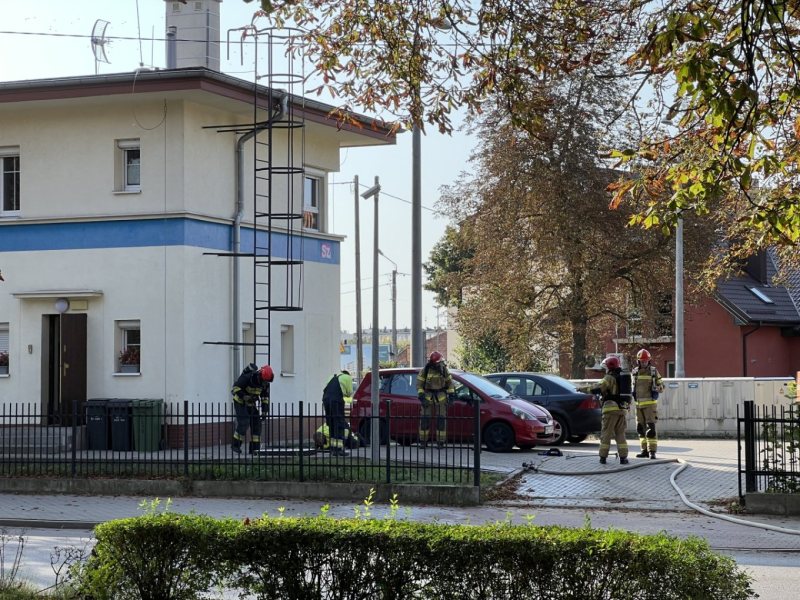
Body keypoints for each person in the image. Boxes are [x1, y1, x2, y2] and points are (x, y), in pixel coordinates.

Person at [584, 356, 631, 464]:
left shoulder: (609, 378)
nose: (605, 369)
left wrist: (583, 389)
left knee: (606, 434)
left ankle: (603, 457)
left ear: (609, 367)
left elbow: (598, 387)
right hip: (621, 410)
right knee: (620, 434)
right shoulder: (621, 377)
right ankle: (623, 458)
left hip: (610, 410)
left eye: (605, 367)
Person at [231, 363, 273, 455]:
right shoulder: (248, 377)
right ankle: (235, 445)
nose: (265, 383)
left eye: (267, 381)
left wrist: (264, 411)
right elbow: (235, 388)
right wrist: (244, 396)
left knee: (257, 424)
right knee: (244, 422)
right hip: (240, 402)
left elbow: (265, 398)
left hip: (251, 403)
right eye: (264, 381)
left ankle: (255, 449)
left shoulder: (265, 384)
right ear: (260, 376)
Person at [416, 351, 455, 449]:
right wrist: (421, 396)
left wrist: (451, 395)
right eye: (439, 361)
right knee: (425, 420)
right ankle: (423, 441)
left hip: (441, 397)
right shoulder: (425, 370)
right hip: (427, 397)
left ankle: (440, 442)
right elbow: (419, 385)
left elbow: (450, 383)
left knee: (441, 420)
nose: (441, 363)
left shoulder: (444, 369)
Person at [632, 348, 664, 459]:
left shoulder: (653, 371)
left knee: (651, 429)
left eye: (646, 361)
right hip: (638, 405)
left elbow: (661, 385)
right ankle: (644, 450)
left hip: (650, 405)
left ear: (649, 361)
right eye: (642, 361)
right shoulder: (635, 372)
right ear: (638, 361)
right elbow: (633, 387)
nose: (644, 363)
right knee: (640, 429)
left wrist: (659, 387)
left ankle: (652, 451)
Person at [321, 370, 354, 456]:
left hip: (326, 400)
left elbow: (325, 389)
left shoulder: (332, 377)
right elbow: (349, 392)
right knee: (339, 423)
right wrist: (348, 399)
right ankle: (339, 449)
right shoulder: (348, 377)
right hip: (336, 401)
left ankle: (333, 449)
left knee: (331, 423)